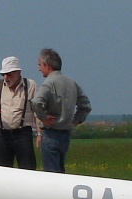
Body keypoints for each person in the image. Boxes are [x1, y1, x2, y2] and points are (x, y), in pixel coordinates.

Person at [0, 56, 39, 199]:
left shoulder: (30, 86)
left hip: (22, 134)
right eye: (4, 74)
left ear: (18, 73)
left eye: (9, 74)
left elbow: (37, 111)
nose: (6, 78)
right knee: (1, 175)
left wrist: (40, 133)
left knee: (28, 173)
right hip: (2, 134)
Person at [32, 47, 91, 175]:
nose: (39, 68)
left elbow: (36, 102)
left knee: (52, 175)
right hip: (65, 134)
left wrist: (43, 117)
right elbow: (86, 106)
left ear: (46, 65)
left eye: (40, 65)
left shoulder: (48, 83)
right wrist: (74, 121)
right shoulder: (72, 83)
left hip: (51, 132)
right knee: (61, 172)